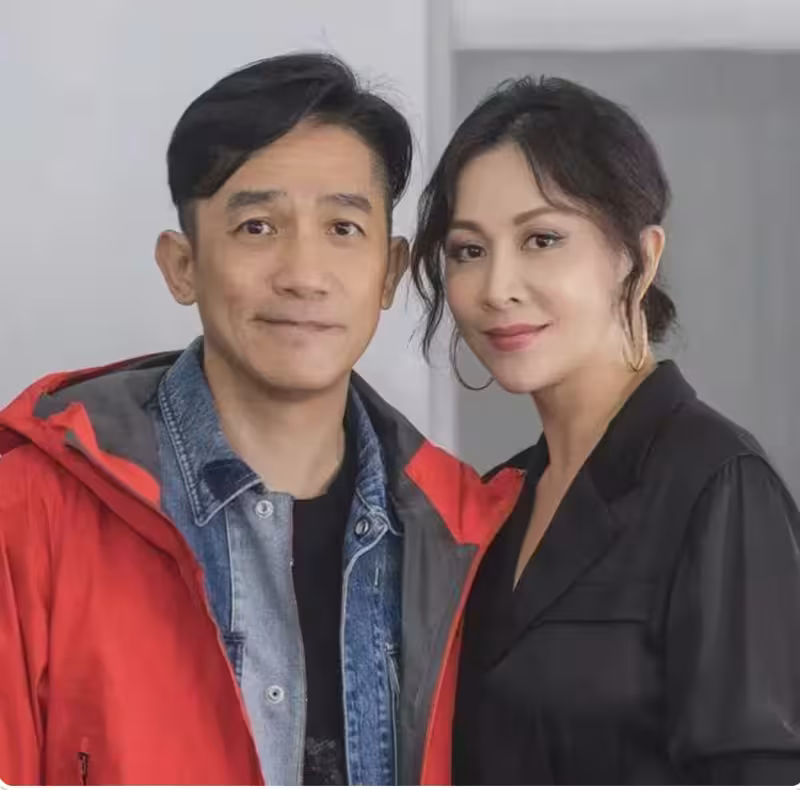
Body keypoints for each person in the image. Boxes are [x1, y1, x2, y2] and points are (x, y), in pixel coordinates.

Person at [0, 53, 523, 786]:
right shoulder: (30, 510)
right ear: (182, 266)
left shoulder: (461, 531)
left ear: (390, 271)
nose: (303, 274)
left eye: (343, 227)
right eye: (256, 226)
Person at [411, 75, 800, 785]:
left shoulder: (719, 486)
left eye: (542, 239)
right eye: (468, 250)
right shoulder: (501, 499)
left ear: (640, 256)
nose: (496, 287)